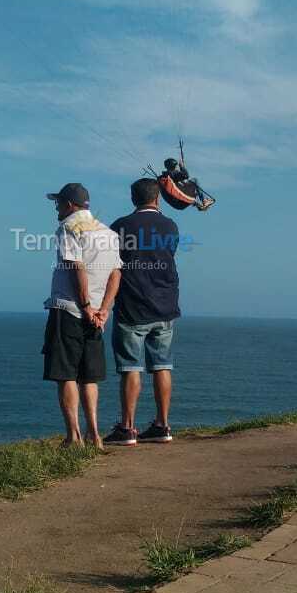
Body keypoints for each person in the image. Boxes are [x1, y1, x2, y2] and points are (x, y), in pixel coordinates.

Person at [42, 183, 121, 449]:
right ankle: (95, 435)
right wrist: (104, 309)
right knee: (89, 376)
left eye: (58, 203)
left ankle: (73, 437)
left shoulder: (68, 228)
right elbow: (115, 274)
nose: (56, 208)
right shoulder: (108, 233)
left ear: (70, 205)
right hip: (98, 315)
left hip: (69, 309)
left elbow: (77, 267)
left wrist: (86, 305)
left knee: (65, 374)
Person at [103, 178, 181, 445]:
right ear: (157, 199)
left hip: (132, 305)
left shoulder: (121, 226)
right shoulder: (170, 226)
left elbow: (112, 263)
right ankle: (163, 424)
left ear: (132, 198)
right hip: (165, 305)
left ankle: (127, 428)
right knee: (162, 366)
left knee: (130, 367)